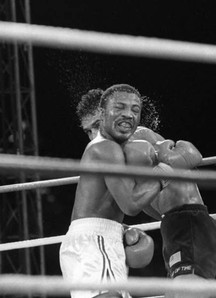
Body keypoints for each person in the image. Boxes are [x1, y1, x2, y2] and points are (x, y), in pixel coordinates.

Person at [75, 88, 216, 298]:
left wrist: (169, 166)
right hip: (173, 225)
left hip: (189, 221)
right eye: (88, 131)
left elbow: (186, 159)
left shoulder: (139, 136)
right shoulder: (112, 158)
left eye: (96, 126)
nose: (93, 135)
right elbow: (140, 203)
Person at [60, 84, 169, 298]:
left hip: (92, 241)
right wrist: (165, 173)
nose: (128, 114)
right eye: (119, 108)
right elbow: (130, 203)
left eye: (135, 110)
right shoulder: (106, 148)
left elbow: (105, 205)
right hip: (96, 241)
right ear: (103, 113)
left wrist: (122, 230)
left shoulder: (110, 149)